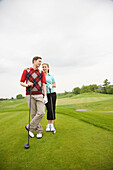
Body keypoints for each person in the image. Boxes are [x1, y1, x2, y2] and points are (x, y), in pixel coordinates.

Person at [20, 56, 48, 139]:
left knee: (42, 112)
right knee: (33, 113)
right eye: (39, 61)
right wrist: (27, 84)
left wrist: (45, 95)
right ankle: (38, 131)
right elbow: (21, 82)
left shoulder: (41, 72)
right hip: (30, 94)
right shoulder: (26, 70)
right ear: (34, 61)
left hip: (39, 94)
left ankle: (29, 127)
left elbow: (43, 84)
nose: (40, 63)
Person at [42, 63, 56, 132]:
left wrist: (51, 85)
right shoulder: (41, 76)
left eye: (45, 67)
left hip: (52, 93)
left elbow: (55, 84)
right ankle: (48, 124)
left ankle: (52, 125)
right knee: (48, 109)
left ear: (48, 68)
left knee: (52, 108)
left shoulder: (51, 76)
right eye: (43, 67)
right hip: (45, 94)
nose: (44, 68)